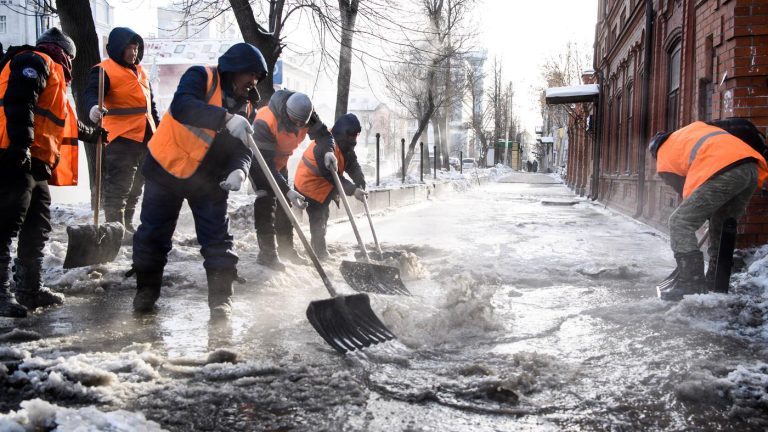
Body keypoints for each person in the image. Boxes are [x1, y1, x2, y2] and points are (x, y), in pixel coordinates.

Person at [131, 42, 267, 319]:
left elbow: (243, 148)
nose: (253, 81)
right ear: (234, 69)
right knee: (153, 235)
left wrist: (239, 170)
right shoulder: (201, 77)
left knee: (218, 240)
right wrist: (226, 118)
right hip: (166, 168)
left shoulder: (249, 107)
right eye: (250, 74)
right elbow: (182, 106)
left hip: (209, 180)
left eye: (257, 76)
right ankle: (146, 292)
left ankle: (221, 300)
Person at [0, 28, 104, 317]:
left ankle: (30, 289)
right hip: (13, 154)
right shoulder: (35, 61)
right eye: (71, 57)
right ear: (64, 53)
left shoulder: (56, 77)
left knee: (38, 224)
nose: (71, 63)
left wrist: (94, 134)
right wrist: (20, 145)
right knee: (6, 225)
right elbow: (19, 102)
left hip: (35, 162)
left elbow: (66, 122)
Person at [649, 118, 768, 301]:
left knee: (680, 222)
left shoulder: (664, 159)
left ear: (655, 151)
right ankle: (716, 280)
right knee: (721, 226)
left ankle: (691, 283)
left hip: (724, 171)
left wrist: (703, 212)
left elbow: (688, 195)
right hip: (750, 169)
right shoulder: (694, 130)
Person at [249, 90, 336, 270]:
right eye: (295, 122)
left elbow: (324, 135)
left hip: (280, 163)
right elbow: (264, 163)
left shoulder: (307, 116)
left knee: (285, 204)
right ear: (287, 114)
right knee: (267, 201)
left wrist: (328, 151)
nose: (299, 126)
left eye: (302, 123)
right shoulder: (265, 121)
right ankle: (267, 254)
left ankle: (287, 249)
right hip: (259, 162)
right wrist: (286, 189)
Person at [85, 27, 160, 234]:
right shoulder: (103, 70)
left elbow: (150, 107)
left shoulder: (141, 71)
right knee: (119, 186)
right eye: (129, 48)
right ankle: (114, 229)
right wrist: (93, 108)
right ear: (118, 49)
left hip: (145, 136)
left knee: (137, 186)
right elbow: (92, 93)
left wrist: (159, 129)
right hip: (120, 137)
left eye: (136, 48)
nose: (133, 52)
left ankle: (126, 224)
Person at [294, 114, 367, 259]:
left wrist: (360, 182)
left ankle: (318, 248)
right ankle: (319, 253)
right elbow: (332, 178)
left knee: (324, 216)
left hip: (323, 186)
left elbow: (352, 164)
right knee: (318, 219)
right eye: (351, 135)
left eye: (356, 135)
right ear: (343, 133)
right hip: (308, 185)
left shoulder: (345, 144)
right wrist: (353, 190)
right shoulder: (324, 146)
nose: (354, 139)